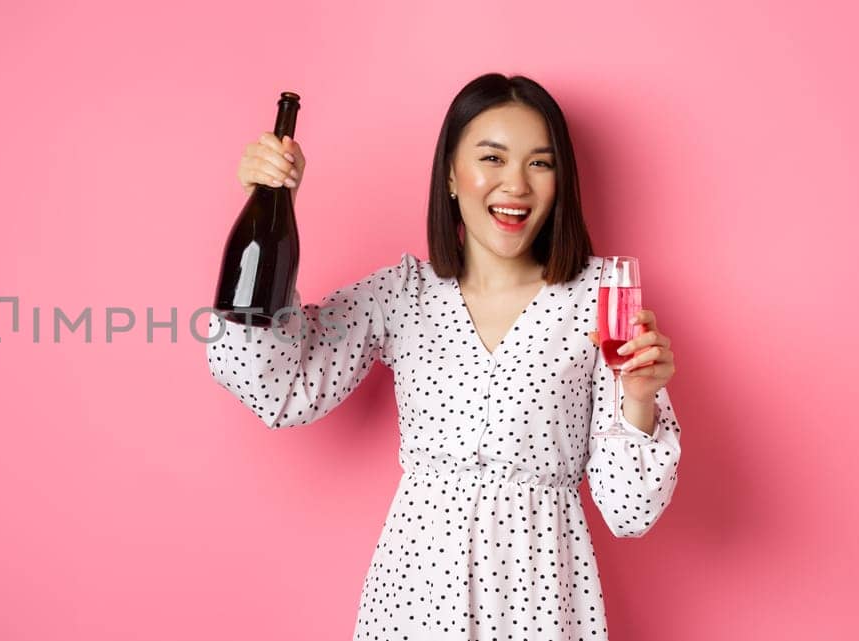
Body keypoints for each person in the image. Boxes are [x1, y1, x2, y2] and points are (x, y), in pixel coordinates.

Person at [206, 73, 682, 640]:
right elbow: (279, 389)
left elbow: (629, 511)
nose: (517, 186)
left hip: (541, 598)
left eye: (540, 163)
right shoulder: (404, 293)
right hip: (416, 593)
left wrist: (637, 398)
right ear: (452, 175)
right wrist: (268, 196)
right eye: (492, 158)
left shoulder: (600, 297)